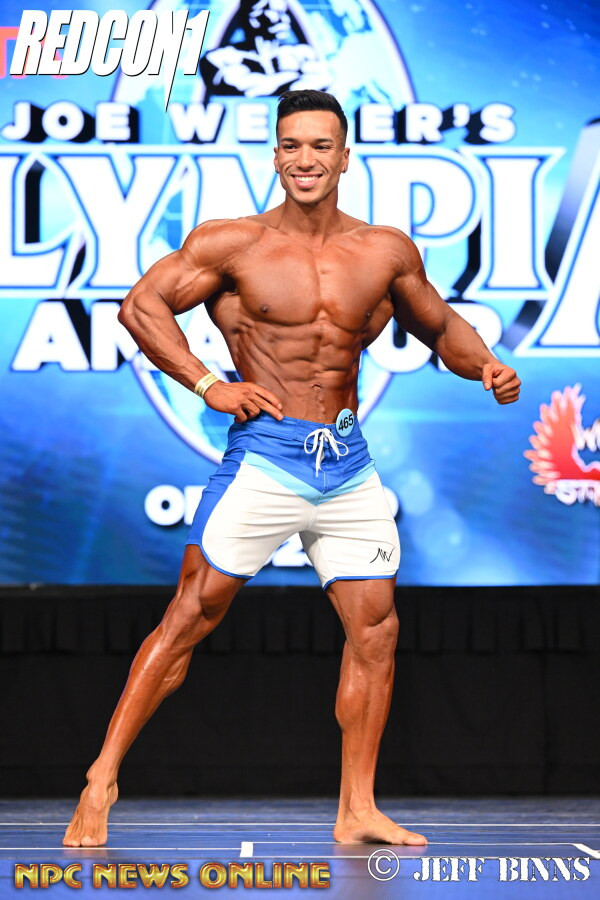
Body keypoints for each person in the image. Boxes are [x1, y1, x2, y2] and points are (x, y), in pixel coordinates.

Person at [63, 89, 520, 848]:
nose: (305, 159)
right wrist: (208, 384)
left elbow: (441, 327)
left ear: (344, 158)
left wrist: (487, 368)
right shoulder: (232, 244)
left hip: (347, 463)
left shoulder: (385, 251)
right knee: (191, 616)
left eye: (320, 146)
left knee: (376, 631)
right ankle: (102, 778)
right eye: (291, 145)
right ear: (275, 156)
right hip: (266, 458)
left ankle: (357, 808)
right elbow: (141, 307)